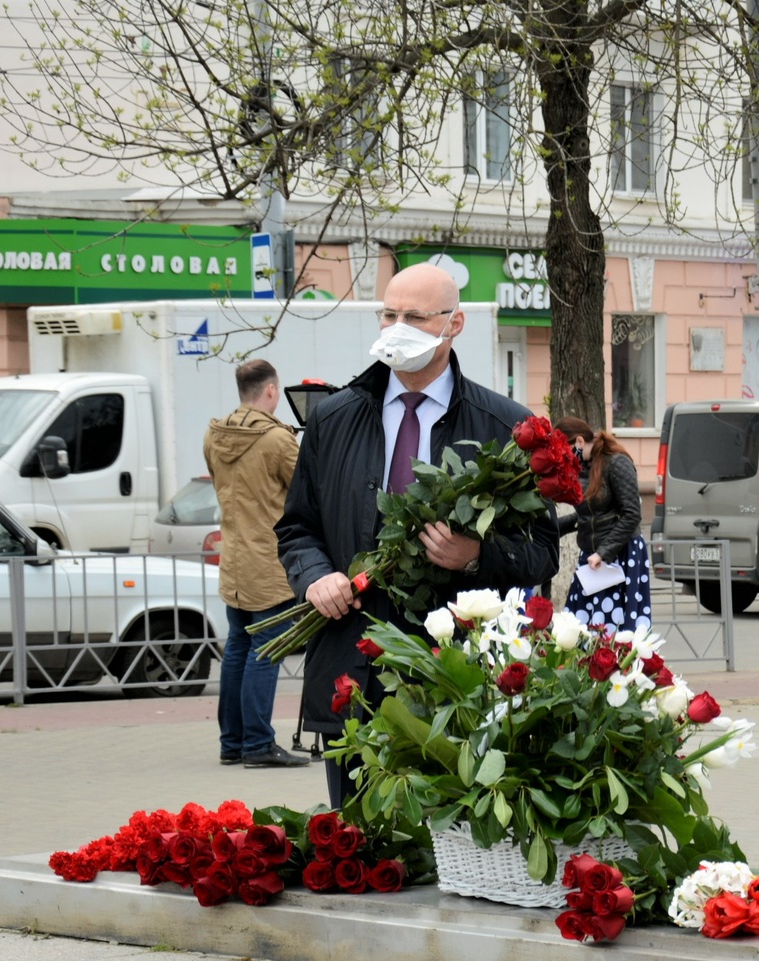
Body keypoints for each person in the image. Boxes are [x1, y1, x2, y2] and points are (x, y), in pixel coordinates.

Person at [275, 263, 558, 806]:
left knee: (445, 847)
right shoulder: (334, 419)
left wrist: (476, 556)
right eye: (388, 314)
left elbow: (541, 551)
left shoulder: (503, 427)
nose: (396, 327)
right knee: (356, 845)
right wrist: (314, 578)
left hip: (454, 675)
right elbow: (297, 527)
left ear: (454, 325)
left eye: (414, 317)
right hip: (352, 669)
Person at [204, 359, 308, 768]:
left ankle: (232, 743)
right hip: (269, 561)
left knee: (238, 648)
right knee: (266, 649)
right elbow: (305, 490)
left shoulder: (214, 435)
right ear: (270, 391)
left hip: (233, 561)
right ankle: (258, 744)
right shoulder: (277, 440)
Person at [554, 417, 650, 632]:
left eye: (565, 451)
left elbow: (632, 515)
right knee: (582, 626)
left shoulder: (616, 462)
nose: (564, 458)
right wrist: (553, 528)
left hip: (621, 555)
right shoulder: (583, 467)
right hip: (593, 557)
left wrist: (603, 553)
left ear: (579, 441)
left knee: (615, 628)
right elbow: (589, 516)